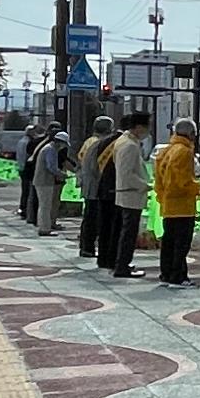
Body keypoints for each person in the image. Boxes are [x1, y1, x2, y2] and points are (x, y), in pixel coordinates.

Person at [154, 118, 200, 288]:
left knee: (169, 242)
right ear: (191, 134)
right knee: (181, 243)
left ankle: (166, 274)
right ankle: (178, 276)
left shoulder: (167, 150)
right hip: (182, 205)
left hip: (169, 204)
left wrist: (162, 196)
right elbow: (183, 181)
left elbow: (159, 179)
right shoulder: (184, 152)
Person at [109, 115, 151, 278]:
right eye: (147, 127)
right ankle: (122, 266)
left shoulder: (123, 141)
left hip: (125, 193)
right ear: (138, 127)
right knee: (129, 233)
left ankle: (121, 263)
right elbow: (127, 174)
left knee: (125, 231)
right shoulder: (130, 145)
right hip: (130, 194)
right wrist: (145, 185)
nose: (148, 131)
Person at [76, 115, 116, 260]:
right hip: (95, 186)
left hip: (88, 183)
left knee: (88, 218)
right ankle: (88, 247)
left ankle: (86, 246)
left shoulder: (89, 141)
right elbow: (97, 167)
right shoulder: (100, 144)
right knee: (93, 219)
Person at [93, 122, 124, 272]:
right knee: (115, 227)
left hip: (103, 187)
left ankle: (103, 258)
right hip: (115, 189)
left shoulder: (103, 142)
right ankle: (112, 259)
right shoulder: (122, 143)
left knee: (104, 226)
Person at [34, 131, 71, 234]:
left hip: (42, 181)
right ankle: (45, 229)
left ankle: (44, 227)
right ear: (60, 142)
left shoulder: (48, 148)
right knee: (46, 206)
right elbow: (52, 167)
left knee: (44, 206)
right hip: (44, 181)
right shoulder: (51, 150)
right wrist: (63, 174)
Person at [18, 125, 43, 221]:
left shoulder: (21, 141)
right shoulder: (28, 142)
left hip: (21, 168)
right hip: (26, 169)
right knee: (28, 192)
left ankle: (23, 209)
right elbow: (27, 156)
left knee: (25, 191)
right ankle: (26, 211)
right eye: (33, 131)